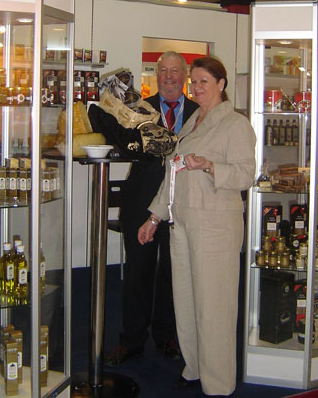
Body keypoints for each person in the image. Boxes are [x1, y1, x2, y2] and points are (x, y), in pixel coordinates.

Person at [138, 56, 256, 397]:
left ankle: (218, 383)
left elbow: (246, 174)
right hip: (183, 224)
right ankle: (194, 367)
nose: (197, 87)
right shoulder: (192, 122)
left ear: (221, 84)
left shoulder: (235, 124)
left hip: (215, 228)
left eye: (204, 81)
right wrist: (154, 217)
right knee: (187, 302)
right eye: (195, 81)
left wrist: (209, 166)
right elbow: (172, 175)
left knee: (214, 307)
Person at [105, 51, 199, 366]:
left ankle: (167, 336)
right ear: (156, 75)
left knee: (174, 271)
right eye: (163, 71)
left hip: (182, 202)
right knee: (137, 272)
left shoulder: (200, 112)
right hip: (142, 201)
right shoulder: (138, 109)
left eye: (175, 71)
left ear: (184, 76)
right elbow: (122, 142)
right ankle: (131, 341)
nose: (169, 76)